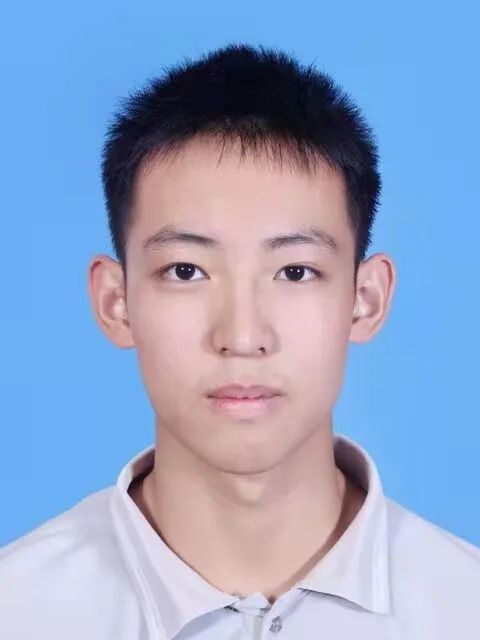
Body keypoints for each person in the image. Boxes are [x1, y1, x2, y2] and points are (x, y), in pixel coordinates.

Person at [1, 43, 478, 640]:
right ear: (115, 302)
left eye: (295, 272)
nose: (243, 337)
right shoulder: (17, 610)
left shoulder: (464, 607)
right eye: (186, 271)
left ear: (367, 298)